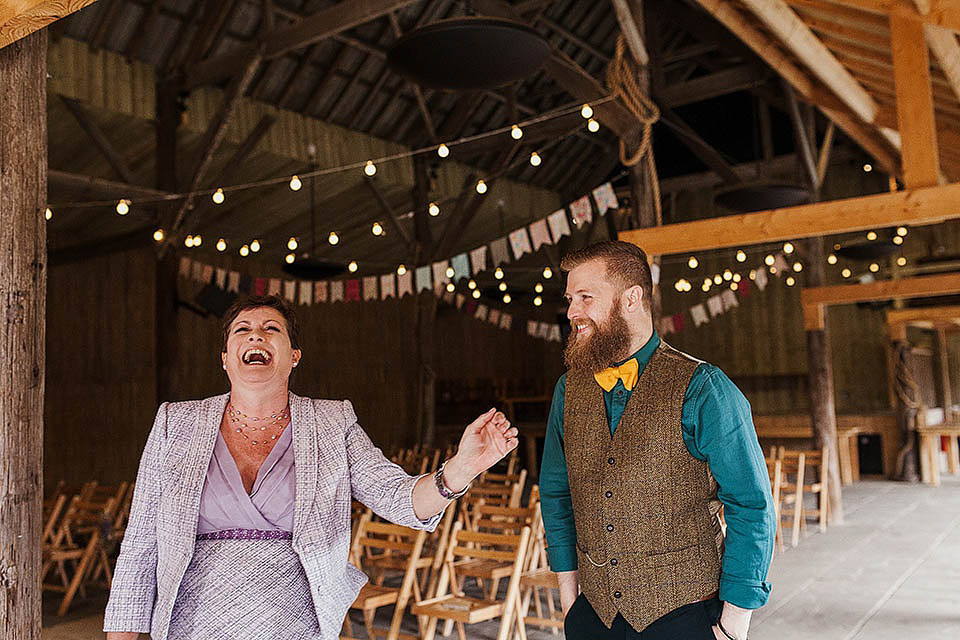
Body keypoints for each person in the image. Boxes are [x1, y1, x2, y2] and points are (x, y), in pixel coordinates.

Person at [103, 294, 518, 640]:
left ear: (293, 355)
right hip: (191, 624)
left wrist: (462, 468)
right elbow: (140, 546)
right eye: (242, 330)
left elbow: (398, 499)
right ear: (226, 358)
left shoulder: (331, 423)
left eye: (272, 329)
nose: (256, 335)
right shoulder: (177, 423)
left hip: (296, 621)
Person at [540, 241, 776, 640]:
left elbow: (751, 505)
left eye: (585, 298)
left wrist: (734, 624)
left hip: (686, 614)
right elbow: (556, 494)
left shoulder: (705, 388)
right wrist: (570, 602)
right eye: (569, 299)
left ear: (632, 298)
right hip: (592, 615)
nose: (572, 312)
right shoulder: (567, 390)